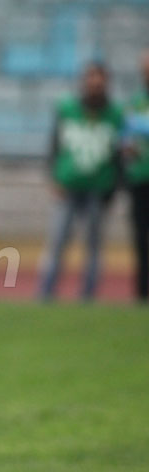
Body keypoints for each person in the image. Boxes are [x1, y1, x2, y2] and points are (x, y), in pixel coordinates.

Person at [38, 62, 123, 302]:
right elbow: (55, 143)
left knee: (94, 245)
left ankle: (87, 295)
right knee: (57, 242)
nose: (94, 83)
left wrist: (114, 187)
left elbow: (119, 153)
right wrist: (53, 176)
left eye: (99, 79)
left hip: (98, 186)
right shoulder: (67, 109)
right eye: (90, 78)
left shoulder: (115, 114)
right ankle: (46, 293)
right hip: (68, 185)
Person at [123, 50, 149, 302]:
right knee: (140, 238)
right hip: (140, 178)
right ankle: (142, 293)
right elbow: (125, 139)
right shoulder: (135, 103)